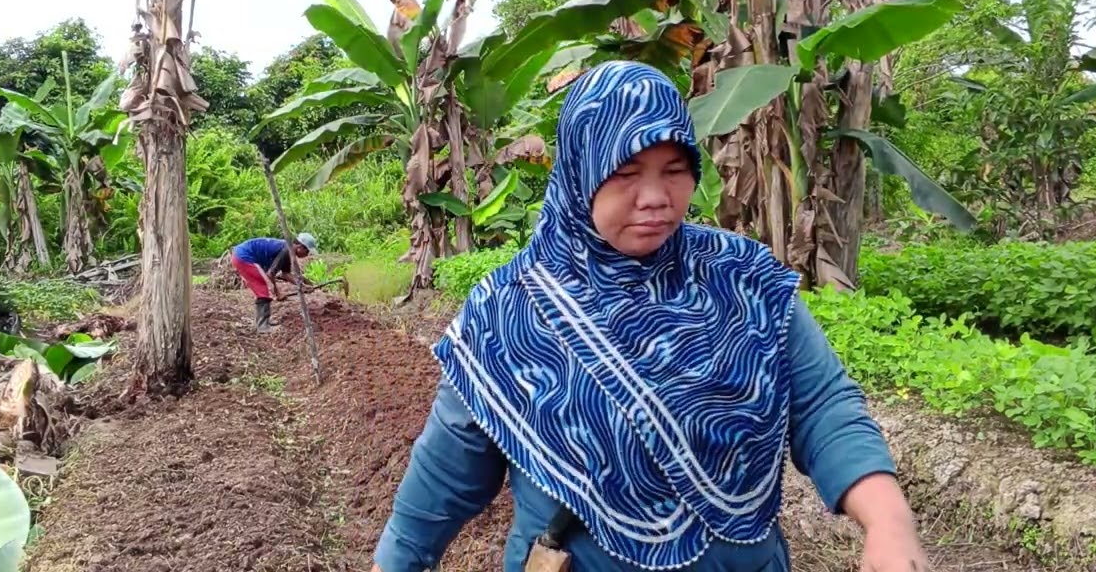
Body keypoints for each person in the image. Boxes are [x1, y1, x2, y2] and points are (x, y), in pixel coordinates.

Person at [370, 61, 929, 572]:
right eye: (627, 172)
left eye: (675, 169)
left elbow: (823, 406)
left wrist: (889, 523)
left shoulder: (742, 279)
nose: (656, 196)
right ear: (581, 171)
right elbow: (439, 487)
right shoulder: (510, 313)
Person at [229, 232, 317, 333]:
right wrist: (278, 293)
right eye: (307, 252)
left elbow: (285, 274)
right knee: (265, 288)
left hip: (243, 256)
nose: (307, 255)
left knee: (263, 288)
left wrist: (303, 284)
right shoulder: (285, 250)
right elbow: (270, 274)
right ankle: (263, 326)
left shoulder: (287, 250)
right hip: (243, 257)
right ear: (300, 247)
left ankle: (263, 322)